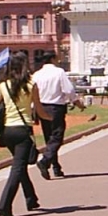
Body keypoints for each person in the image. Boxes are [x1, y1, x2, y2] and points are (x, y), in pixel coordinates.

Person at [0, 52, 52, 216]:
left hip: (8, 130)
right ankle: (4, 205)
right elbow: (39, 110)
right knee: (18, 168)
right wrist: (50, 118)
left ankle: (31, 198)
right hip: (23, 129)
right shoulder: (31, 85)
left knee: (20, 164)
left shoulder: (4, 85)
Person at [32, 51, 85, 180]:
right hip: (55, 107)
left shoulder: (37, 74)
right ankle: (45, 161)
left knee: (49, 138)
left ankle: (56, 167)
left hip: (41, 107)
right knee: (57, 137)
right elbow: (69, 90)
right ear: (53, 59)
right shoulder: (59, 72)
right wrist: (77, 103)